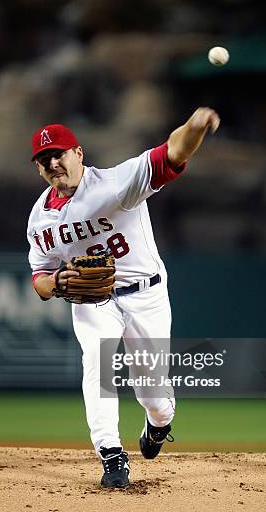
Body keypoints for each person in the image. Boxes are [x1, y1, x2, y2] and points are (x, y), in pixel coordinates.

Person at [27, 107, 220, 488]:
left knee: (153, 395)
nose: (52, 163)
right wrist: (57, 283)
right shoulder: (38, 219)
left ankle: (159, 423)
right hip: (92, 302)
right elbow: (40, 277)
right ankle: (112, 455)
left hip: (146, 294)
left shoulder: (116, 183)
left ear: (78, 153)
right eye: (43, 159)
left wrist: (194, 126)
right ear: (38, 168)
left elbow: (172, 155)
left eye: (59, 154)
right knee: (97, 367)